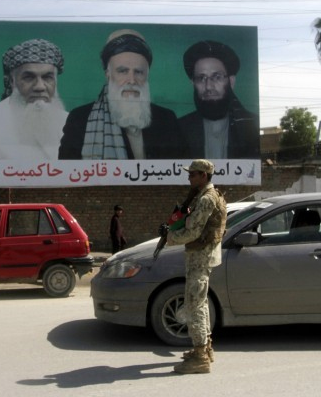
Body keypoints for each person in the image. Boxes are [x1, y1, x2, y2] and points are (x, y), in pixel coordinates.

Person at [58, 29, 185, 159]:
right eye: (123, 71)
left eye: (139, 72)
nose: (131, 80)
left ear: (147, 75)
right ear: (108, 74)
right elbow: (66, 173)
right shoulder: (80, 119)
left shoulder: (166, 120)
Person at [160, 159, 226, 374]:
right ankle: (205, 349)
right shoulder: (203, 196)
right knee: (201, 303)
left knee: (194, 305)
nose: (189, 177)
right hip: (201, 255)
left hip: (201, 256)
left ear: (204, 176)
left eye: (193, 174)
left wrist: (170, 237)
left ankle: (200, 357)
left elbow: (194, 232)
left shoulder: (207, 198)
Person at [0, 38, 68, 160]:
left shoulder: (71, 123)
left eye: (47, 77)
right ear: (11, 81)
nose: (40, 87)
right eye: (29, 77)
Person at [179, 40, 260, 159]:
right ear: (193, 83)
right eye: (201, 78)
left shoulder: (251, 126)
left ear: (231, 82)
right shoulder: (179, 128)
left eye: (217, 77)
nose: (208, 86)